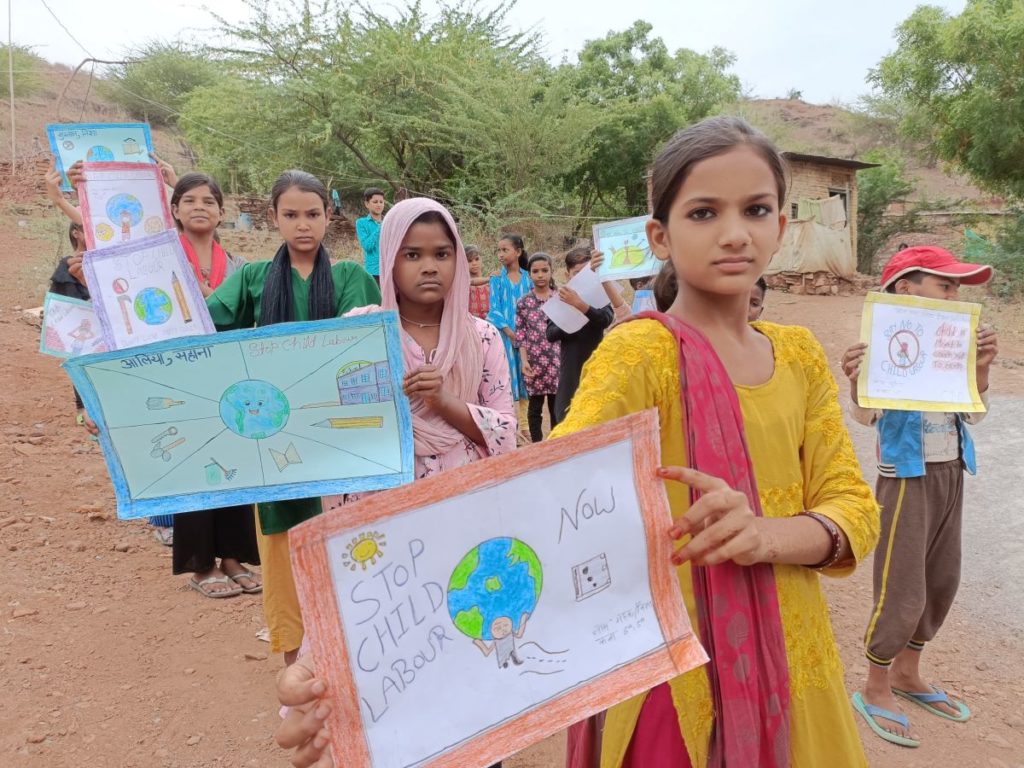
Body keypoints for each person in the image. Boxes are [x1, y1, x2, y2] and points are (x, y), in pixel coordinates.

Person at [553, 116, 879, 767]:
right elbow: (547, 491)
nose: (735, 234)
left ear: (780, 226)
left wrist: (762, 535)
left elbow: (852, 506)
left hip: (794, 661)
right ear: (660, 236)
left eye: (756, 210)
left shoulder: (800, 355)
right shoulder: (641, 351)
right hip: (676, 676)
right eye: (703, 213)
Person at [273, 197, 517, 768]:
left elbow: (506, 435)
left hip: (464, 523)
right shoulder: (359, 333)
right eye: (412, 254)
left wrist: (446, 402)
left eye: (441, 253)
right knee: (385, 655)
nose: (428, 266)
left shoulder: (483, 339)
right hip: (377, 527)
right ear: (388, 261)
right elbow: (329, 423)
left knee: (468, 643)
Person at [207, 170, 380, 658]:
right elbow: (203, 331)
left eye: (313, 214)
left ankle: (353, 654)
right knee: (282, 550)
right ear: (274, 218)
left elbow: (363, 350)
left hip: (340, 440)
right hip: (274, 439)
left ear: (328, 217)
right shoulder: (253, 278)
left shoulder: (351, 277)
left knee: (346, 542)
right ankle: (293, 657)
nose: (303, 225)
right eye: (291, 215)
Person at [842, 245, 998, 748]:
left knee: (941, 577)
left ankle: (909, 673)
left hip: (951, 468)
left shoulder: (955, 343)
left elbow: (972, 413)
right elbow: (867, 416)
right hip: (907, 475)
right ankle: (875, 684)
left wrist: (981, 369)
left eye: (956, 288)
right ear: (904, 288)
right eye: (944, 285)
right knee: (901, 580)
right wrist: (856, 379)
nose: (954, 294)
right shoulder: (878, 344)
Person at [167, 172, 262, 596]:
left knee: (234, 463)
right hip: (183, 374)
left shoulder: (240, 266)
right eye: (189, 200)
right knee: (195, 465)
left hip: (228, 373)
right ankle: (201, 564)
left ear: (222, 212)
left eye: (208, 200)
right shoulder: (162, 261)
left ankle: (232, 557)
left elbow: (245, 317)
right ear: (174, 211)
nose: (199, 206)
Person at [546, 248, 614, 423]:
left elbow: (605, 319)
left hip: (596, 364)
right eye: (577, 273)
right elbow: (550, 334)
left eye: (588, 272)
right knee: (565, 416)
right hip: (571, 368)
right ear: (568, 274)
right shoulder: (560, 298)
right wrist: (570, 317)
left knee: (596, 416)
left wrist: (581, 305)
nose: (583, 277)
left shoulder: (599, 293)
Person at [515, 252, 560, 442]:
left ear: (551, 272)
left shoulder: (560, 297)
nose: (540, 275)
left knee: (557, 407)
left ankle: (558, 442)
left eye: (544, 270)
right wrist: (524, 361)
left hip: (558, 362)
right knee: (535, 408)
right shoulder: (524, 302)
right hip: (534, 364)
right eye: (535, 271)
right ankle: (537, 445)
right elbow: (521, 335)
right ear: (529, 274)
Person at [487, 233, 533, 402]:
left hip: (529, 336)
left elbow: (535, 307)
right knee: (507, 377)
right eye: (498, 250)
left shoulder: (529, 278)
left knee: (527, 376)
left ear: (518, 252)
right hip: (504, 337)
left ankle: (527, 426)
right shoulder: (497, 279)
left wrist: (524, 335)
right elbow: (494, 309)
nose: (501, 254)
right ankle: (511, 422)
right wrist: (511, 333)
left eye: (505, 250)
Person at [356, 187, 386, 282]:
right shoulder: (361, 223)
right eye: (375, 202)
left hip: (389, 270)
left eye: (381, 202)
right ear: (367, 204)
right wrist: (380, 227)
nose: (379, 205)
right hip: (373, 272)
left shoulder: (389, 222)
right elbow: (367, 246)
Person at [466, 244, 491, 319]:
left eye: (477, 259)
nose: (474, 263)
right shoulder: (464, 282)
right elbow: (472, 281)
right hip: (471, 325)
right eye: (469, 261)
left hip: (490, 325)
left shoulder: (490, 284)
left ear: (482, 259)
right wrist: (490, 278)